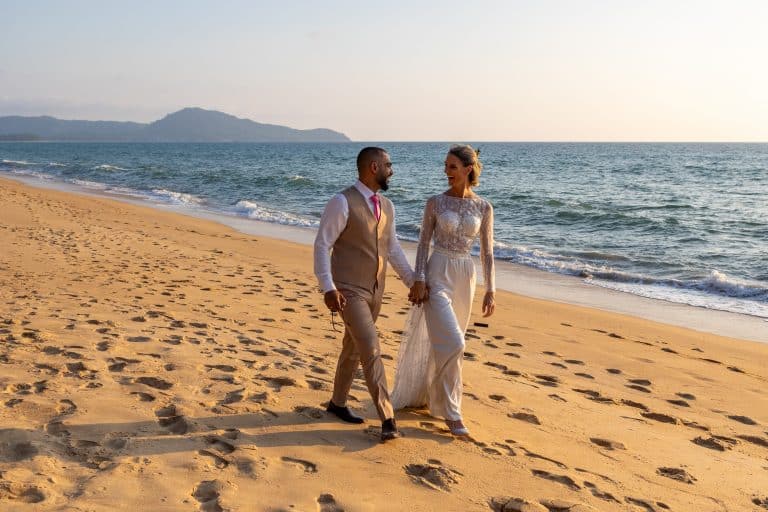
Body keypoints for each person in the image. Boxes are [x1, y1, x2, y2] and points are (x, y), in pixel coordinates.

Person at [391, 144, 496, 436]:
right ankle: (452, 412)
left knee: (450, 344)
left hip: (466, 276)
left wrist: (491, 289)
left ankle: (436, 399)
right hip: (437, 273)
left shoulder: (484, 207)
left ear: (468, 170)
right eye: (445, 166)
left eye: (452, 167)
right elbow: (423, 244)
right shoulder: (435, 203)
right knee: (454, 343)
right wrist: (419, 279)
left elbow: (487, 252)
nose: (446, 172)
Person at [313, 146, 416, 442]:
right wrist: (328, 287)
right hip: (347, 291)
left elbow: (392, 248)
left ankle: (337, 403)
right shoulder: (341, 202)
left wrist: (412, 282)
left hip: (376, 291)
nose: (391, 170)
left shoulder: (387, 205)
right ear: (373, 167)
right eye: (388, 165)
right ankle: (388, 418)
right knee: (370, 347)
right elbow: (322, 245)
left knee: (353, 346)